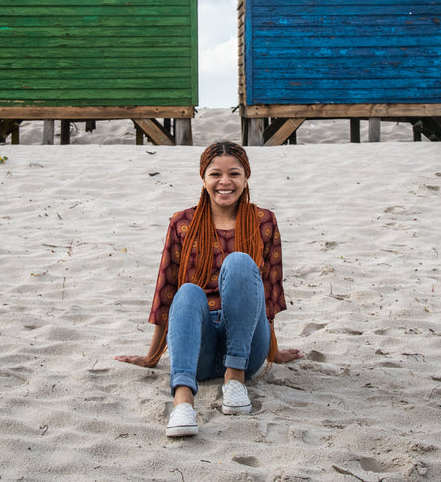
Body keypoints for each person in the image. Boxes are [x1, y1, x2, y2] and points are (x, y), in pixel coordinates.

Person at [115, 141, 302, 437]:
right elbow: (167, 293)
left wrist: (272, 351)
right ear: (203, 178)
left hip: (247, 342)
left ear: (246, 177)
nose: (225, 182)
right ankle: (183, 403)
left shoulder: (264, 221)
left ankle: (235, 380)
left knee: (240, 263)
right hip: (197, 344)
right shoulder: (182, 223)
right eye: (215, 174)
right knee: (187, 291)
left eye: (234, 174)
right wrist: (152, 357)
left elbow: (269, 293)